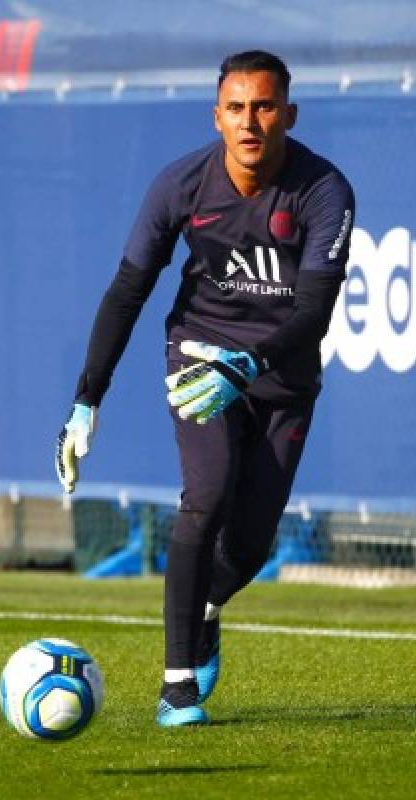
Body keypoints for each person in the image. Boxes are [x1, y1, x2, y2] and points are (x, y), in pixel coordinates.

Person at [55, 50, 354, 727]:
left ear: (289, 114)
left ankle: (208, 607)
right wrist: (86, 399)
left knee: (249, 547)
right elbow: (128, 290)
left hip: (281, 372)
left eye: (265, 106)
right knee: (207, 495)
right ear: (216, 117)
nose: (250, 122)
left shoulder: (325, 191)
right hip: (197, 352)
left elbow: (313, 314)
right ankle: (177, 684)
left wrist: (248, 365)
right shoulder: (179, 185)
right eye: (237, 108)